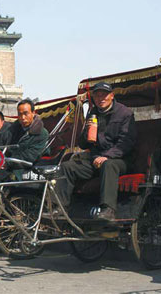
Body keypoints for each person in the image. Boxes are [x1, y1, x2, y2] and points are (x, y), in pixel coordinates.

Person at [54, 82, 136, 221]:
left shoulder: (125, 113)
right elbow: (83, 144)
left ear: (111, 96)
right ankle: (60, 208)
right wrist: (87, 132)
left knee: (108, 165)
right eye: (97, 96)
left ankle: (108, 210)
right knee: (67, 167)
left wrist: (107, 156)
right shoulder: (93, 113)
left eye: (104, 95)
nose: (100, 99)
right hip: (95, 159)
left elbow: (126, 143)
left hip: (119, 160)